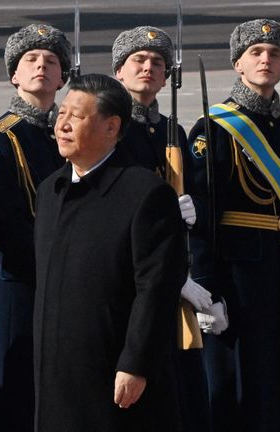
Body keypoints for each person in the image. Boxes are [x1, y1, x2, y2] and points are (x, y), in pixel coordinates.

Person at [34, 73, 188, 432]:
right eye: (62, 115)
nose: (64, 125)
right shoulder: (51, 189)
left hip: (114, 372)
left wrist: (136, 362)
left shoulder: (144, 193)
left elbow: (157, 288)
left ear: (111, 126)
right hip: (56, 373)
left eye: (78, 116)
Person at [185, 19, 280, 432]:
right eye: (256, 53)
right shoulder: (214, 128)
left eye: (274, 54)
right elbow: (200, 216)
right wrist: (206, 286)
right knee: (237, 387)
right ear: (238, 63)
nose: (266, 60)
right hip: (234, 277)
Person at [112, 25, 212, 432]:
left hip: (169, 270)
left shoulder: (172, 130)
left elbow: (199, 194)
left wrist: (193, 208)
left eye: (158, 63)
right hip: (128, 274)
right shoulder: (108, 126)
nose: (149, 68)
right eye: (139, 60)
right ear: (119, 71)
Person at [0, 23, 70, 432]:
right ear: (14, 74)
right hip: (19, 275)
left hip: (68, 275)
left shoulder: (72, 131)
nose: (42, 67)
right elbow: (8, 217)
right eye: (31, 60)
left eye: (51, 61)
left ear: (64, 76)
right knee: (13, 382)